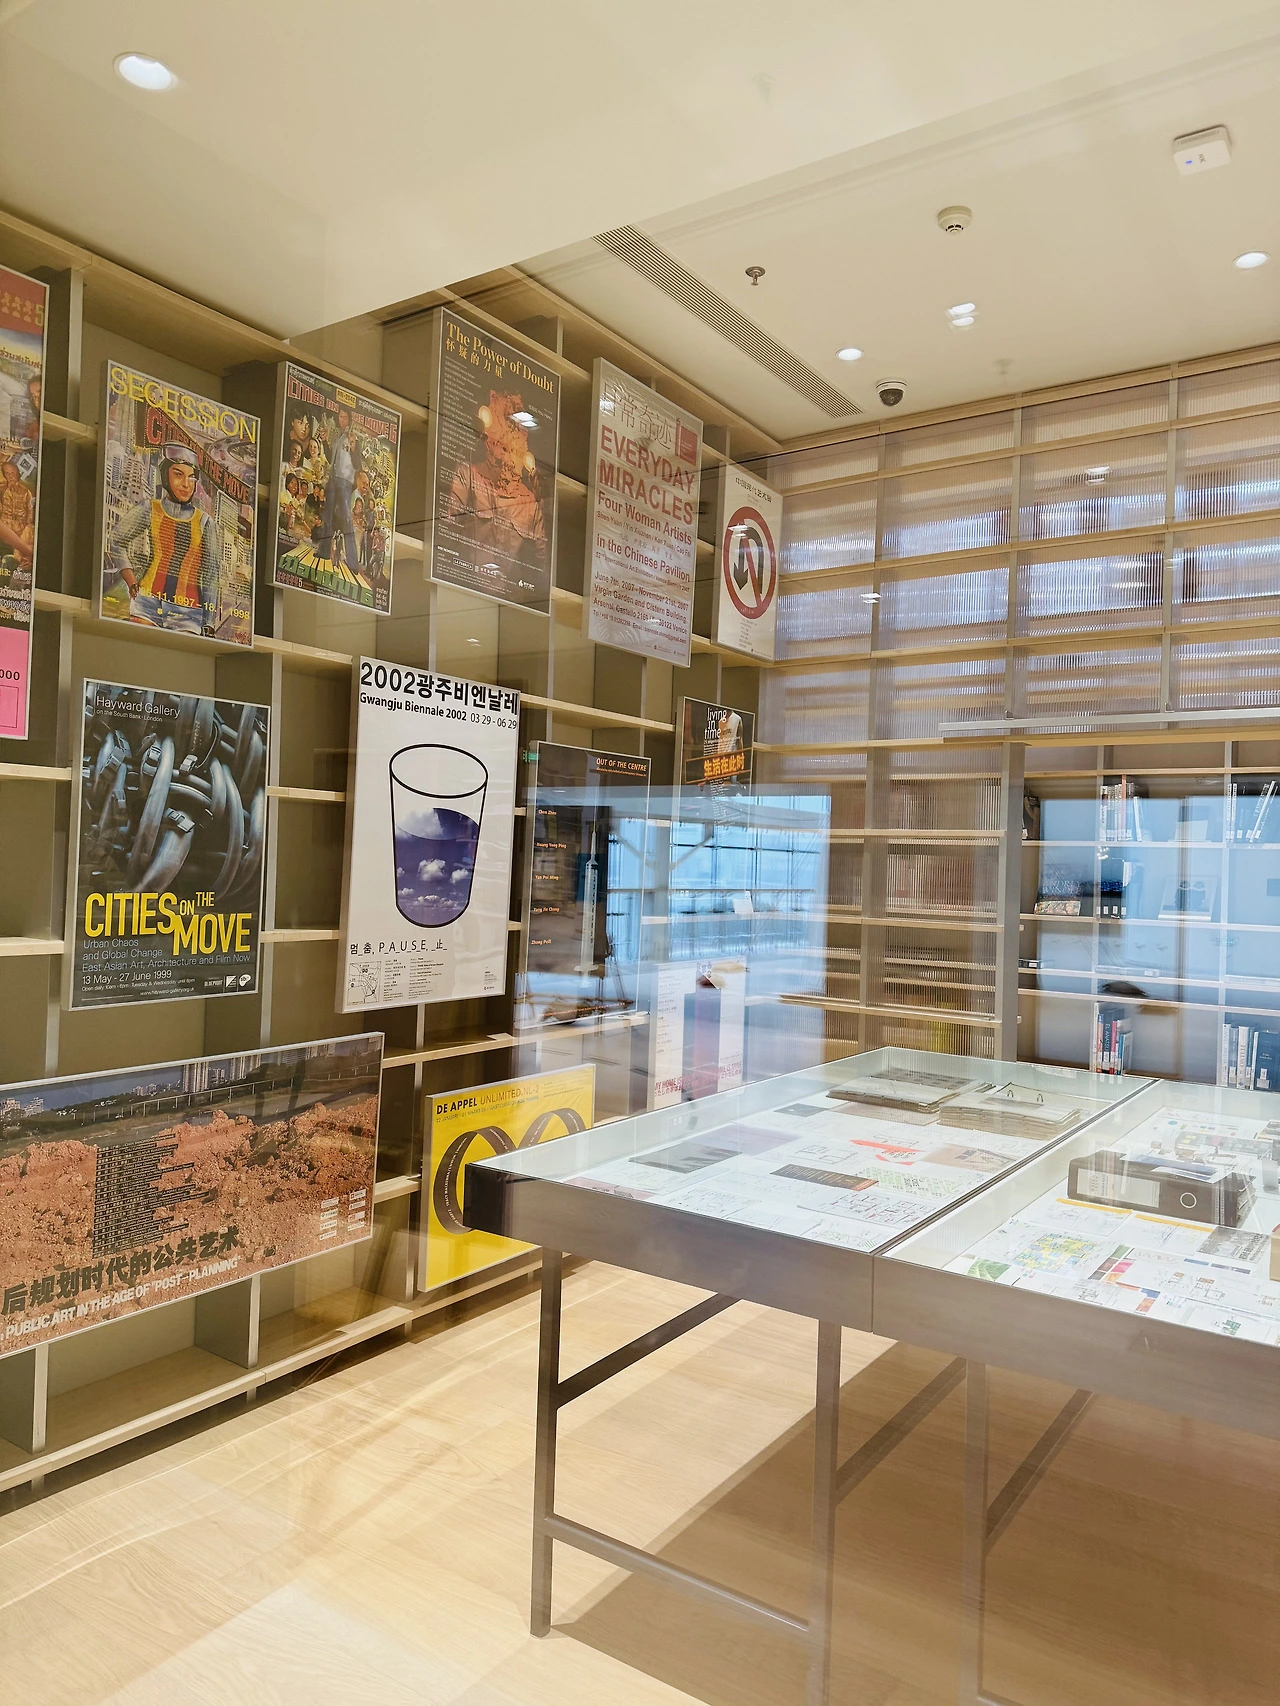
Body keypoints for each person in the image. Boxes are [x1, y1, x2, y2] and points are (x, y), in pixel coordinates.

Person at [107, 442, 220, 635]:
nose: (186, 484)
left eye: (191, 477)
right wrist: (131, 580)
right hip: (147, 601)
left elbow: (211, 573)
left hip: (188, 609)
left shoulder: (205, 522)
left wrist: (209, 622)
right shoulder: (149, 508)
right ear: (165, 475)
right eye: (178, 475)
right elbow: (116, 540)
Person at [444, 389, 547, 577]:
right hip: (465, 583)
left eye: (517, 433)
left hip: (510, 593)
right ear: (488, 441)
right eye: (501, 442)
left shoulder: (530, 503)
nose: (507, 447)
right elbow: (446, 531)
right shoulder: (468, 476)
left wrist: (544, 504)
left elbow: (540, 566)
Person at [317, 403, 361, 574]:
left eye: (344, 417)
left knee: (346, 520)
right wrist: (324, 441)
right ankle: (323, 551)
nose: (341, 420)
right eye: (340, 416)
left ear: (349, 419)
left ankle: (353, 563)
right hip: (333, 479)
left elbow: (357, 464)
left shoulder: (353, 438)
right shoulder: (337, 436)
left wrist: (354, 447)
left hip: (345, 481)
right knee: (327, 515)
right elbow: (331, 458)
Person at [0, 458, 34, 559]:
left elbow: (30, 512)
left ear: (17, 473)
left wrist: (27, 530)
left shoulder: (26, 492)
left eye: (12, 473)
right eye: (7, 473)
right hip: (4, 528)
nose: (10, 476)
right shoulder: (2, 490)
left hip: (20, 530)